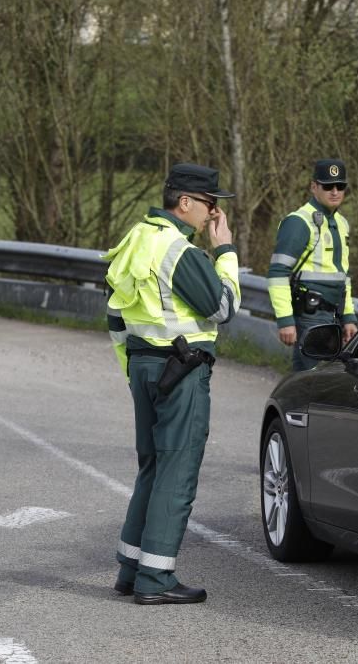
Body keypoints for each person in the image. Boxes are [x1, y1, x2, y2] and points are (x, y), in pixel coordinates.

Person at [103, 162, 240, 605]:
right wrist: (225, 251)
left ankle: (131, 569)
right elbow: (223, 308)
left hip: (144, 366)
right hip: (181, 369)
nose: (213, 213)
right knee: (176, 472)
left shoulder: (136, 239)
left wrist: (132, 369)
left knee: (153, 467)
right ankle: (156, 579)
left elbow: (114, 315)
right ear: (185, 202)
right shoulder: (179, 251)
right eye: (209, 203)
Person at [268, 158, 358, 371]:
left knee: (310, 379)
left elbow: (342, 276)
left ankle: (288, 405)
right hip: (310, 314)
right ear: (314, 187)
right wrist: (285, 320)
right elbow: (278, 273)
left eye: (340, 186)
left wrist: (348, 317)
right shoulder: (299, 222)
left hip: (332, 315)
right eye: (327, 186)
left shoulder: (341, 223)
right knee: (315, 379)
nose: (335, 191)